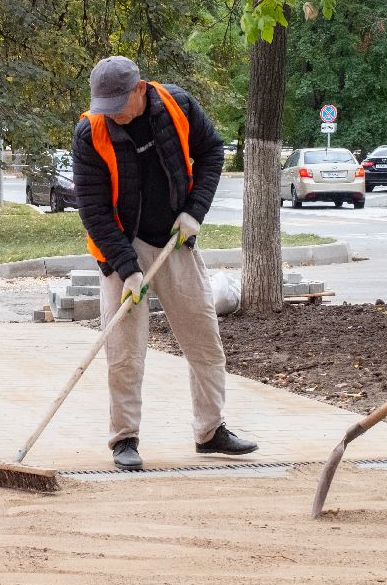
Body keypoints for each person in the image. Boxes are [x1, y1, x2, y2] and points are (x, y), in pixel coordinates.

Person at [72, 55, 258, 470]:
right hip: (121, 245)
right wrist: (127, 268)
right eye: (107, 107)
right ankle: (124, 439)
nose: (114, 115)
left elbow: (211, 154)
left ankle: (211, 431)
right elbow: (94, 210)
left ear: (140, 90)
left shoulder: (178, 105)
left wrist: (195, 211)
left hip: (176, 240)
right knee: (124, 349)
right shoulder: (91, 131)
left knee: (203, 338)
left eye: (120, 104)